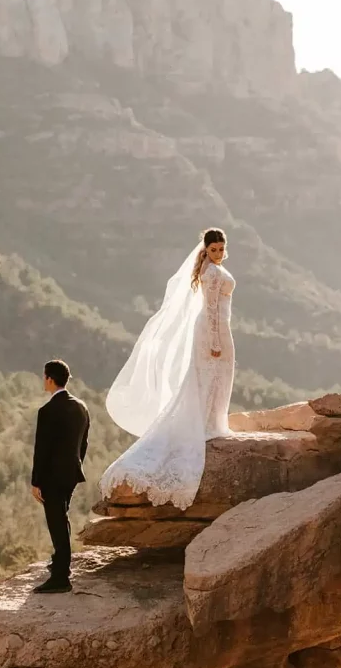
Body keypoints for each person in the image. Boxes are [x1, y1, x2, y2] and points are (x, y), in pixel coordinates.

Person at [99, 228, 236, 511]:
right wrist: (215, 341)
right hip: (214, 330)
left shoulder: (213, 270)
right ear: (205, 250)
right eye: (214, 250)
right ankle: (209, 424)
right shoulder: (211, 273)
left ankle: (212, 421)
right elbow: (211, 310)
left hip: (219, 327)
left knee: (217, 377)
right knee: (212, 376)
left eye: (222, 249)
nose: (219, 254)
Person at [31, 359, 90, 594]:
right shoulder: (81, 407)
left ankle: (61, 577)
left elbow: (41, 449)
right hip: (71, 474)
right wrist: (75, 466)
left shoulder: (47, 411)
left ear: (49, 379)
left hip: (52, 477)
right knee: (62, 518)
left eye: (44, 376)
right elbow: (83, 443)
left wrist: (36, 482)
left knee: (56, 522)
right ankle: (60, 563)